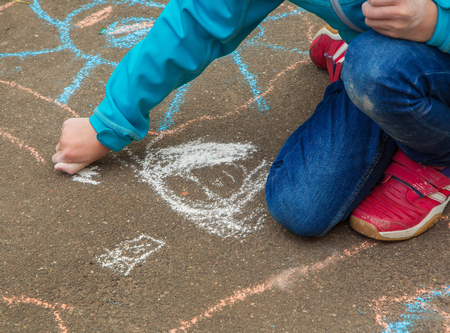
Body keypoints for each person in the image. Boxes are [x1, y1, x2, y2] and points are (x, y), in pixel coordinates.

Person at [53, 0, 450, 241]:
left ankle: (435, 157)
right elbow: (196, 23)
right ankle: (361, 70)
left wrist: (437, 24)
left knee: (379, 69)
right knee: (302, 207)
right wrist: (109, 121)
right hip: (385, 53)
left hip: (411, 56)